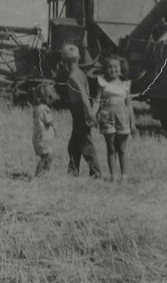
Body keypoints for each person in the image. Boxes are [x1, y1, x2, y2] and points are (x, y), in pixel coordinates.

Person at [61, 44, 102, 178]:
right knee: (73, 145)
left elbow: (83, 95)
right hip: (81, 112)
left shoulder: (73, 77)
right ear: (79, 58)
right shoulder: (82, 74)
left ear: (64, 61)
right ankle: (73, 171)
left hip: (80, 112)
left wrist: (90, 114)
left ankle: (96, 173)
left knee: (86, 144)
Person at [94, 56, 136, 183]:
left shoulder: (125, 85)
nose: (113, 69)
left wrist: (132, 122)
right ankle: (113, 176)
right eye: (110, 67)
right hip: (107, 117)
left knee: (122, 149)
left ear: (121, 68)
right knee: (111, 148)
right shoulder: (102, 83)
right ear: (106, 69)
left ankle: (124, 176)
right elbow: (97, 101)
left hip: (122, 117)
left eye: (116, 67)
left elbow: (129, 105)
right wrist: (92, 114)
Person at [31, 82, 57, 177]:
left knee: (44, 157)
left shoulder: (36, 108)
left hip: (38, 138)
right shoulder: (44, 108)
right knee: (46, 157)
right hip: (44, 138)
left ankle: (43, 174)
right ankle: (39, 175)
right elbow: (49, 121)